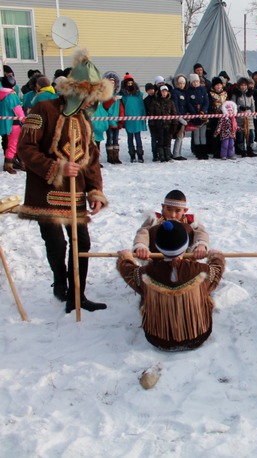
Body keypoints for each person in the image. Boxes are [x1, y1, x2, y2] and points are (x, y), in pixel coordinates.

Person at [17, 48, 111, 313]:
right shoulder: (42, 108)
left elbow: (91, 159)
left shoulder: (85, 120)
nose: (91, 102)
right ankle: (60, 282)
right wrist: (56, 167)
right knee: (56, 242)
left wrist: (95, 191)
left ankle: (77, 295)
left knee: (82, 242)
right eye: (88, 96)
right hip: (46, 191)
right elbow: (26, 148)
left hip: (76, 193)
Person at [117, 220, 226, 351]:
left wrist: (125, 258)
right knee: (206, 290)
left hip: (158, 339)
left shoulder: (146, 273)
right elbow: (217, 270)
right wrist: (216, 257)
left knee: (144, 293)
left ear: (157, 246)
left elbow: (127, 270)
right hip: (198, 336)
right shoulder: (201, 271)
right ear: (186, 246)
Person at [133, 189, 209, 260]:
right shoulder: (155, 220)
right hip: (157, 262)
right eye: (168, 209)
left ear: (184, 210)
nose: (172, 215)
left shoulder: (191, 222)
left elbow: (201, 232)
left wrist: (200, 245)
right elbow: (143, 232)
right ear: (163, 207)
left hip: (183, 263)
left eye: (177, 211)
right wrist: (141, 246)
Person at [119, 73, 147, 162]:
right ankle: (132, 155)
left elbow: (141, 106)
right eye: (128, 83)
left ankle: (140, 155)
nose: (130, 85)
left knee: (138, 137)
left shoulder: (138, 94)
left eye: (131, 83)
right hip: (128, 119)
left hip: (137, 118)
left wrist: (143, 116)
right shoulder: (122, 95)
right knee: (130, 137)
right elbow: (121, 107)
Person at [0, 74, 25, 174]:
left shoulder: (1, 95)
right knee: (14, 144)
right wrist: (24, 120)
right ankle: (9, 165)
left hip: (3, 123)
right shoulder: (12, 96)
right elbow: (18, 111)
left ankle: (18, 162)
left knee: (11, 143)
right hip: (13, 124)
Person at [149, 85, 178, 162]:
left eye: (165, 91)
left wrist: (174, 124)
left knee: (168, 141)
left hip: (168, 125)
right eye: (162, 91)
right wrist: (152, 125)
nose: (164, 93)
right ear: (160, 92)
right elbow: (152, 114)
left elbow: (174, 114)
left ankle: (167, 155)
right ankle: (161, 155)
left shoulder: (171, 102)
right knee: (160, 141)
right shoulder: (155, 102)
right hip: (159, 125)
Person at [186, 73, 210, 159]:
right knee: (196, 134)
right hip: (194, 114)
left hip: (203, 114)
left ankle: (204, 151)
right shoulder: (189, 91)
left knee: (203, 134)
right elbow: (188, 103)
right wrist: (194, 112)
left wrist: (203, 111)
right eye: (194, 82)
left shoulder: (203, 90)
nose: (195, 83)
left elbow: (207, 102)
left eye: (197, 81)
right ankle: (198, 151)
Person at [231, 77, 257, 157]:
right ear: (239, 86)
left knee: (251, 134)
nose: (243, 87)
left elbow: (253, 105)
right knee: (241, 134)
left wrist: (254, 114)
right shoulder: (236, 94)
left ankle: (250, 149)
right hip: (239, 116)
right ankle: (242, 150)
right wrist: (239, 108)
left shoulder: (250, 94)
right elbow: (233, 105)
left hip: (249, 115)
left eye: (245, 85)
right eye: (242, 85)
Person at [170, 74, 189, 161]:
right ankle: (176, 154)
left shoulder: (184, 92)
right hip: (177, 118)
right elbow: (175, 106)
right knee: (178, 136)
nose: (182, 85)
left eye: (183, 83)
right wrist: (179, 118)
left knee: (181, 136)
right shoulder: (175, 92)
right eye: (180, 83)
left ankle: (178, 153)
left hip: (184, 117)